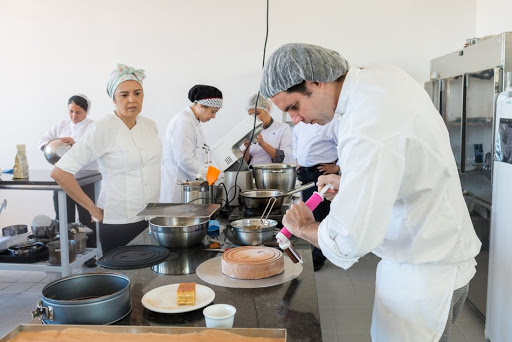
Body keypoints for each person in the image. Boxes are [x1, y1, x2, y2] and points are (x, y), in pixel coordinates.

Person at [260, 43, 481, 341]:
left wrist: (302, 226)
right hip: (429, 254)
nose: (296, 119)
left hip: (424, 276)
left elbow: (349, 239)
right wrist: (352, 185)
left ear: (316, 81)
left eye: (294, 107)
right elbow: (398, 165)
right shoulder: (381, 79)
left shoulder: (367, 123)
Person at [51, 64, 162, 254]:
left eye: (137, 93)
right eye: (124, 95)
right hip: (119, 223)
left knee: (148, 280)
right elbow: (60, 172)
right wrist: (92, 210)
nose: (132, 100)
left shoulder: (150, 126)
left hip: (152, 219)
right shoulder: (102, 129)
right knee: (125, 280)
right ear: (113, 98)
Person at [37, 94, 98, 248]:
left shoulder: (93, 127)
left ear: (86, 112)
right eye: (71, 111)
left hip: (86, 177)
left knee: (87, 215)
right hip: (63, 177)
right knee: (64, 217)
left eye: (78, 112)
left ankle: (90, 251)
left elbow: (95, 150)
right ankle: (66, 250)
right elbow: (42, 140)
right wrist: (54, 145)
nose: (74, 116)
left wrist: (75, 143)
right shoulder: (61, 125)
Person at [292, 116, 340, 271]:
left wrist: (336, 167)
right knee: (309, 213)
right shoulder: (300, 124)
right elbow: (296, 141)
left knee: (320, 215)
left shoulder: (331, 121)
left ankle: (319, 257)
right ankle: (315, 249)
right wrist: (297, 159)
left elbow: (345, 146)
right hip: (304, 171)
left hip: (320, 171)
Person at [160, 85, 222, 203]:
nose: (214, 116)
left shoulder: (194, 122)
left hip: (188, 186)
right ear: (201, 105)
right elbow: (185, 159)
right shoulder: (183, 121)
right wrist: (211, 175)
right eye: (213, 111)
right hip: (177, 189)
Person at [242, 93, 293, 166]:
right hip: (253, 173)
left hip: (272, 174)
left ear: (268, 108)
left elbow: (286, 159)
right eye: (251, 115)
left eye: (257, 113)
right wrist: (247, 148)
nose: (255, 118)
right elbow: (244, 163)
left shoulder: (283, 128)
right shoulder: (250, 131)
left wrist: (262, 144)